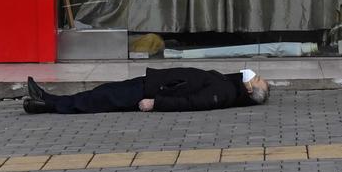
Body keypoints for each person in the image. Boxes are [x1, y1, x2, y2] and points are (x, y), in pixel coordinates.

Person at [21, 67, 270, 114]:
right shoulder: (229, 85)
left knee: (99, 99)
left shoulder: (225, 93)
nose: (255, 75)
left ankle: (48, 102)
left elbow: (194, 102)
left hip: (152, 91)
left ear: (250, 90)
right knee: (101, 94)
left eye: (257, 79)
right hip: (153, 84)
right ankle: (44, 103)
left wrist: (156, 102)